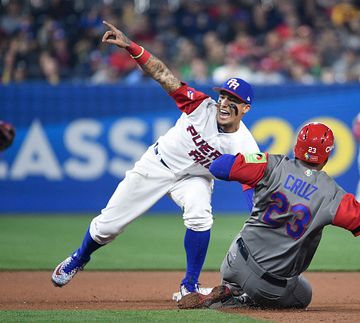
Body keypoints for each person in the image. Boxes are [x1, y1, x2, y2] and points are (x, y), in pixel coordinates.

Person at [51, 21, 260, 301]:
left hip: (194, 178)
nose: (223, 102)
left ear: (245, 109)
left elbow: (251, 185)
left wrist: (257, 217)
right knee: (107, 227)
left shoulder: (245, 145)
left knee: (200, 214)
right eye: (222, 95)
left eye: (232, 99)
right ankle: (79, 257)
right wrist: (132, 47)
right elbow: (163, 75)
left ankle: (189, 286)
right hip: (157, 165)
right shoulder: (201, 106)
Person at [176, 122, 360, 309]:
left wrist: (253, 161)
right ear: (327, 156)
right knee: (304, 294)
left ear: (297, 146)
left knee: (247, 239)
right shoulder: (333, 195)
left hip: (234, 260)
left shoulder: (271, 164)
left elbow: (219, 167)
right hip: (270, 286)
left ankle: (230, 288)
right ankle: (244, 299)